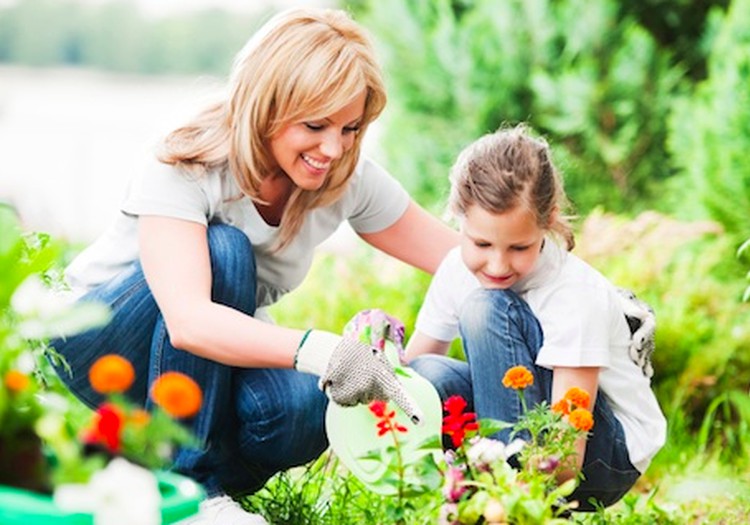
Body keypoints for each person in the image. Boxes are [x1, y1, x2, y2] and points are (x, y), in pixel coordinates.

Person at [49, 7, 458, 525]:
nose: (333, 148)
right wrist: (322, 350)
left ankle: (171, 474)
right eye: (315, 125)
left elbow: (461, 261)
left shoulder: (343, 175)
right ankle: (186, 492)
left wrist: (540, 262)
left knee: (305, 409)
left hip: (195, 373)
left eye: (350, 127)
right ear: (268, 106)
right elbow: (189, 321)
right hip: (98, 347)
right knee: (226, 251)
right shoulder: (186, 161)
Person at [406, 125, 666, 511]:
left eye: (518, 247)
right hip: (526, 429)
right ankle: (481, 493)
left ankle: (510, 506)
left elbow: (568, 458)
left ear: (548, 221)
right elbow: (408, 376)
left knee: (485, 307)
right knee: (427, 377)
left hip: (601, 456)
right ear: (458, 219)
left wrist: (518, 495)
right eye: (481, 243)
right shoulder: (455, 269)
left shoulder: (575, 295)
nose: (497, 264)